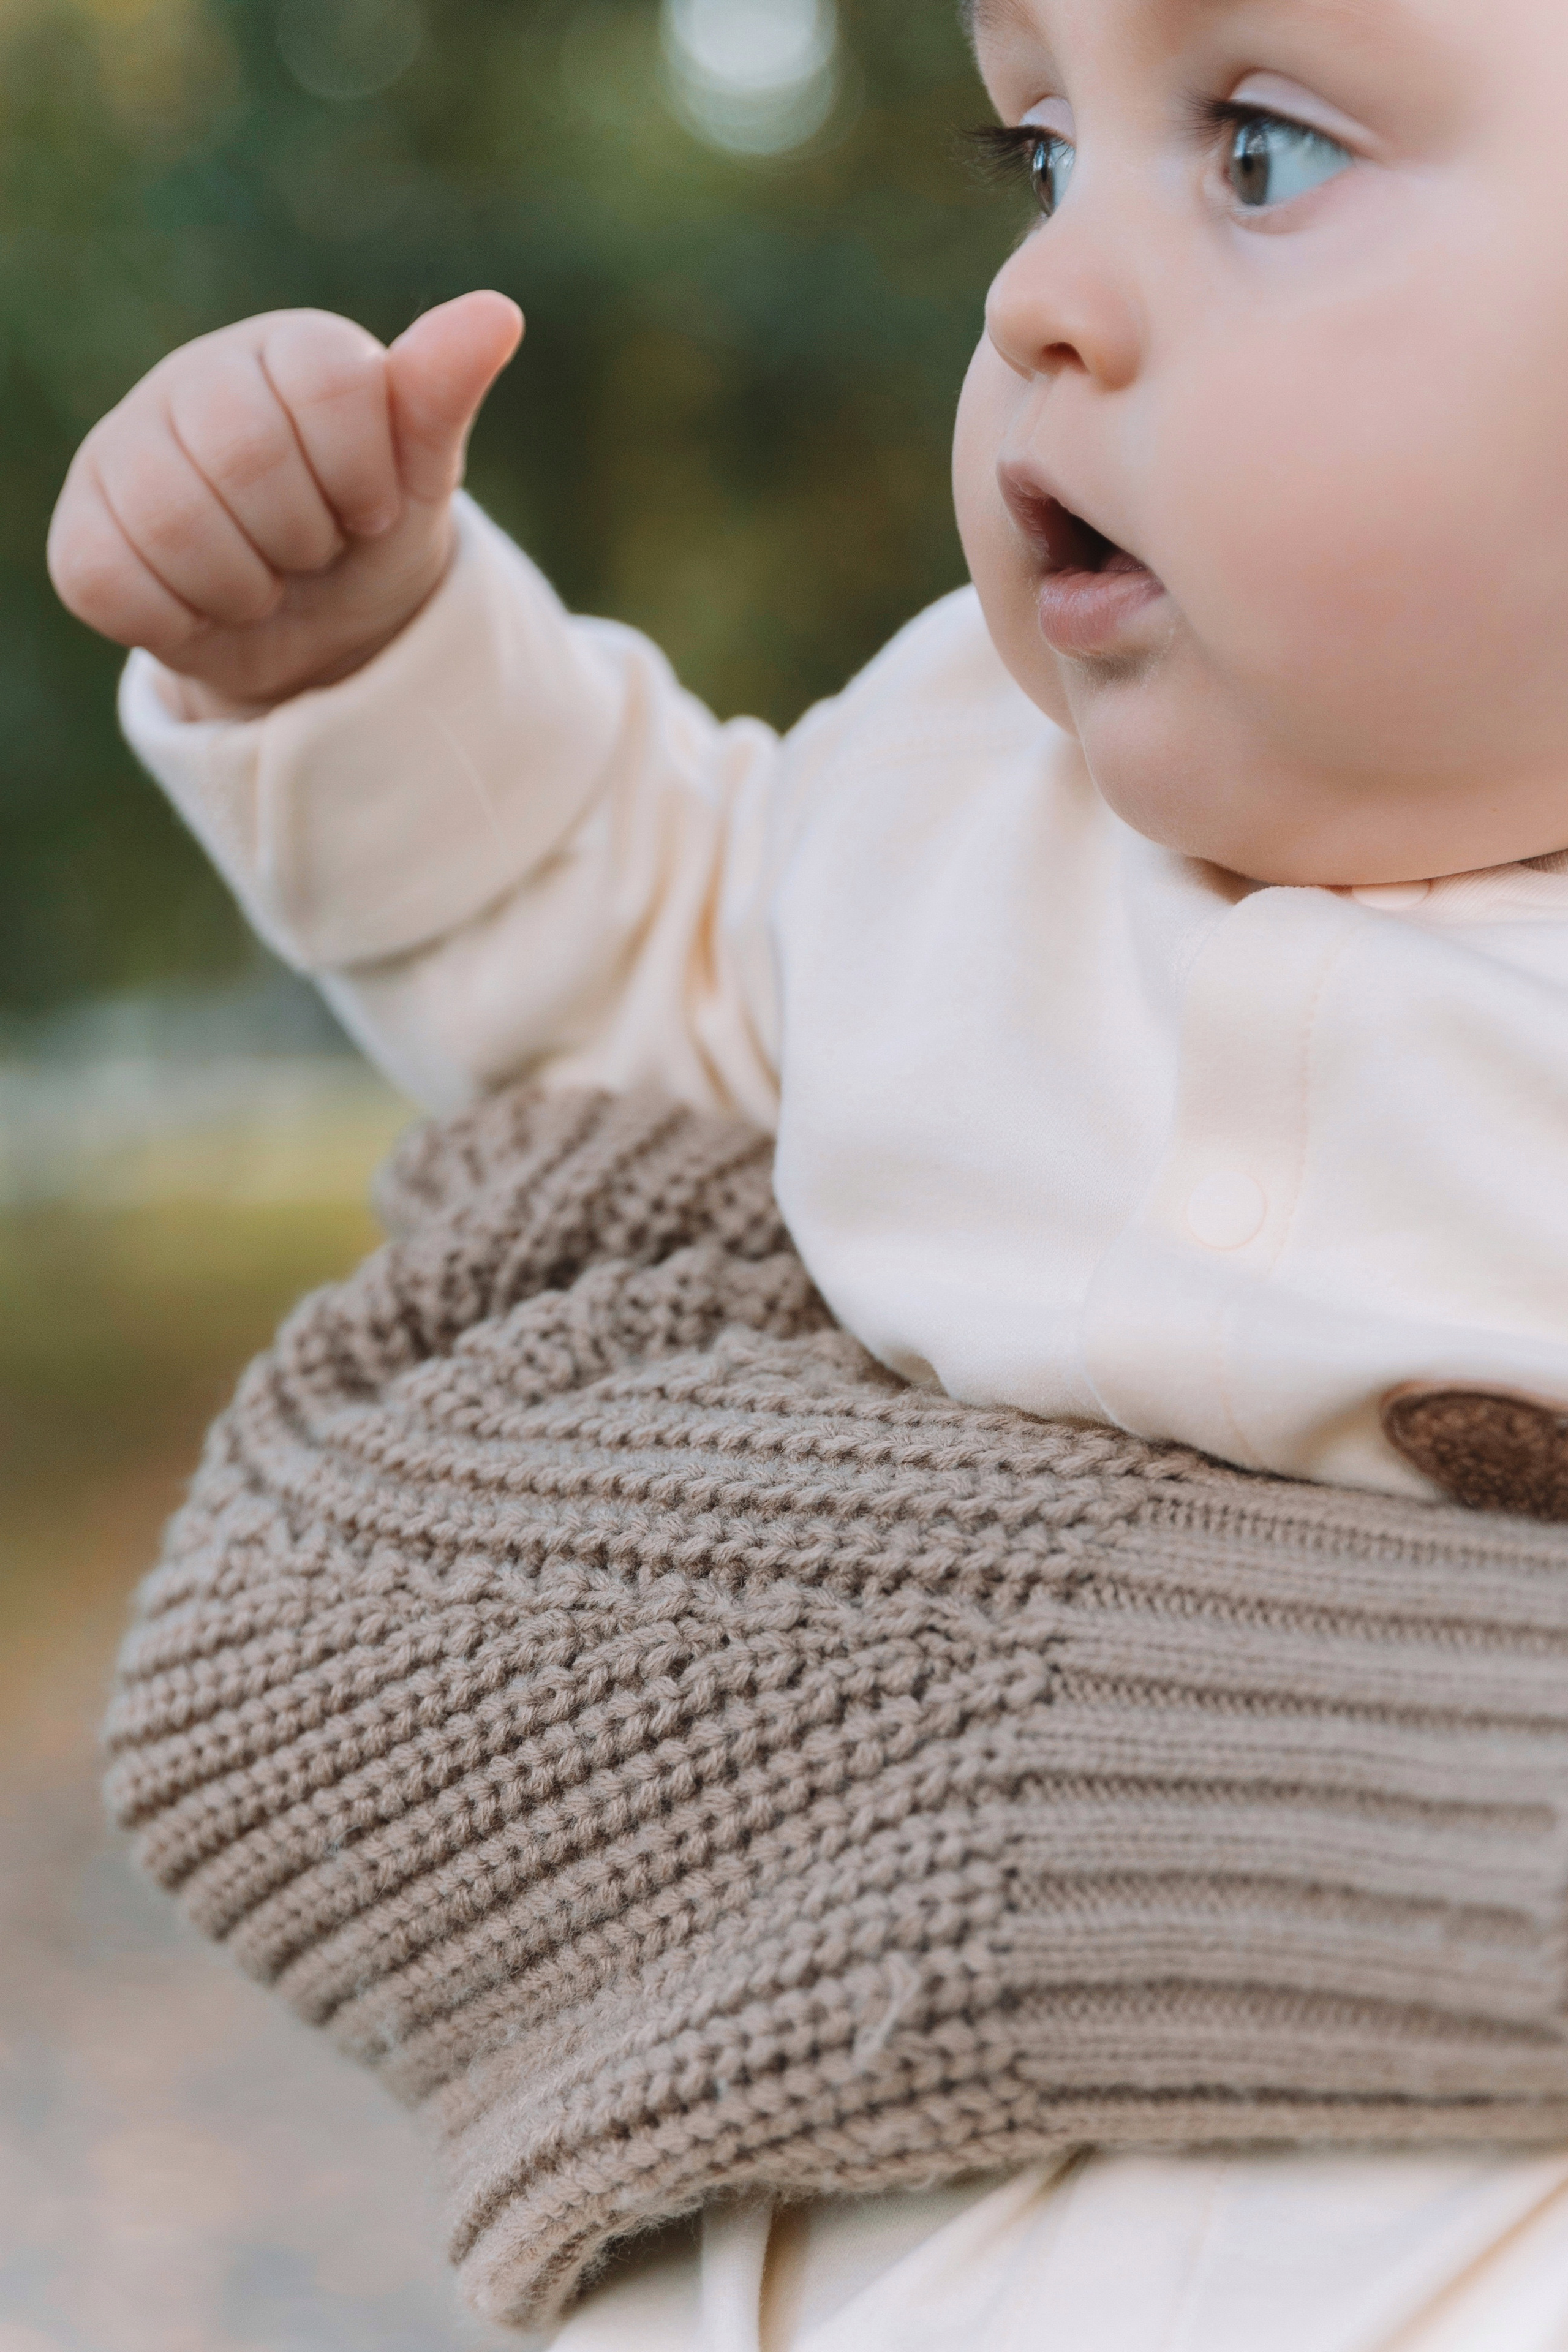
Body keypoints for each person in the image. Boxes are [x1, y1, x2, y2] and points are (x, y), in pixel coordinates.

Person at [48, 0, 1568, 2339]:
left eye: (1262, 152)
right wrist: (365, 662)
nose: (1042, 295)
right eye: (1040, 156)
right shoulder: (946, 809)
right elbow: (618, 932)